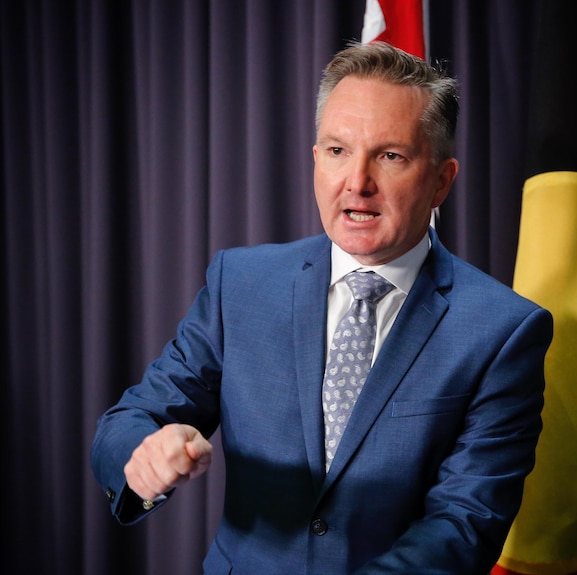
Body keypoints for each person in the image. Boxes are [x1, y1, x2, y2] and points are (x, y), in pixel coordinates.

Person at [91, 41, 553, 575]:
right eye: (337, 151)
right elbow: (131, 419)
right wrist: (143, 454)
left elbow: (466, 520)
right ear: (316, 161)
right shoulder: (239, 284)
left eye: (390, 156)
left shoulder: (503, 330)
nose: (357, 183)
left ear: (441, 181)